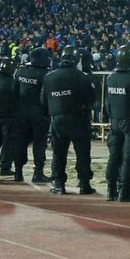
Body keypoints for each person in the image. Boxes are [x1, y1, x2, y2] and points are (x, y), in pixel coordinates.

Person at [40, 46, 97, 195]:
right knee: (83, 152)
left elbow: (43, 100)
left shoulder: (49, 76)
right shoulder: (82, 77)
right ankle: (84, 184)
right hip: (78, 118)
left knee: (58, 153)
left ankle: (58, 184)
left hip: (57, 119)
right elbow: (91, 100)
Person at [103, 45, 130, 202]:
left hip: (115, 121)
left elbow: (108, 104)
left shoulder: (111, 77)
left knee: (114, 156)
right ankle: (124, 191)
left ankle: (110, 190)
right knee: (128, 157)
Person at [13, 47, 52, 183]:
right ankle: (38, 172)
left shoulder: (20, 71)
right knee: (39, 144)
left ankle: (18, 172)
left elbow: (15, 92)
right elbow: (45, 96)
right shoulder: (46, 75)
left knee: (21, 142)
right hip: (39, 113)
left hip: (21, 112)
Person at [0, 58, 19, 176]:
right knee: (8, 143)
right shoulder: (13, 83)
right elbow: (18, 100)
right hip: (9, 117)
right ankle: (5, 167)